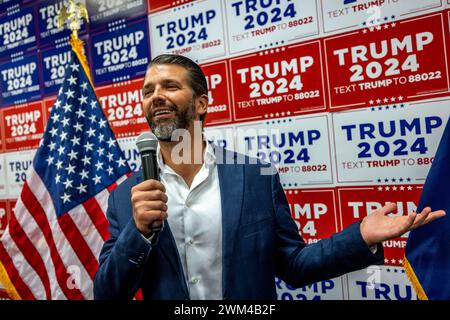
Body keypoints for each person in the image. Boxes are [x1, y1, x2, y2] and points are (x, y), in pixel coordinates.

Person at [93, 54, 445, 300]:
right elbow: (108, 292)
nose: (156, 96)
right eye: (148, 90)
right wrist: (137, 233)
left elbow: (293, 264)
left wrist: (361, 237)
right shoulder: (128, 197)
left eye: (169, 86)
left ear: (201, 103)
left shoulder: (254, 177)